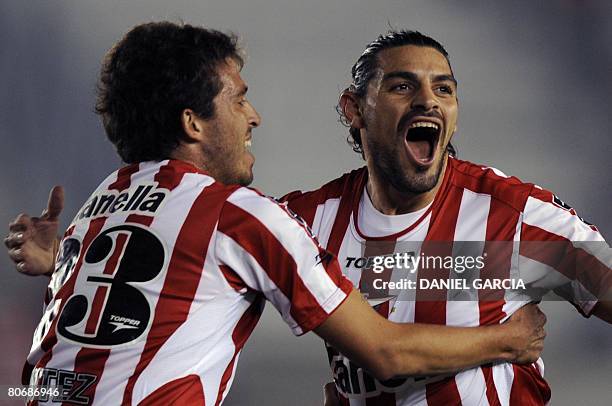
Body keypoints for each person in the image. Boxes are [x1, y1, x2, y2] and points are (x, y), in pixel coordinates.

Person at [3, 23, 547, 405]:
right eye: (238, 99)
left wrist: (61, 261)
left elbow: (74, 360)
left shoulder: (96, 211)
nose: (254, 116)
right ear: (193, 123)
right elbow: (385, 351)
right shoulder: (239, 217)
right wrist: (508, 341)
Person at [281, 31, 612, 405]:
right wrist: (505, 342)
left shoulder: (509, 214)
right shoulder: (308, 223)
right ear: (354, 109)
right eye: (402, 86)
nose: (427, 101)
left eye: (444, 89)